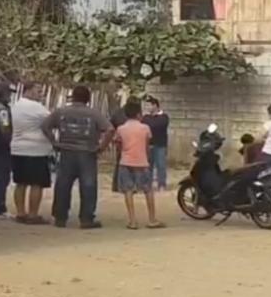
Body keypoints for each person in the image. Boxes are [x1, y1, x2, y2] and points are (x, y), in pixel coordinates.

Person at [42, 85, 113, 229]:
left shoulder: (61, 112)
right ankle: (86, 219)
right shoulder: (93, 114)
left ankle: (60, 218)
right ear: (88, 98)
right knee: (88, 186)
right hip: (87, 153)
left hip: (66, 152)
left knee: (63, 185)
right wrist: (102, 146)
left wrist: (54, 142)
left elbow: (45, 126)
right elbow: (110, 129)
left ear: (73, 97)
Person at [115, 99, 164, 230]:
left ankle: (132, 221)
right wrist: (146, 157)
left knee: (128, 191)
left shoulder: (121, 129)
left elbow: (119, 146)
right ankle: (152, 219)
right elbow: (147, 146)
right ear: (138, 114)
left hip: (125, 162)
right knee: (148, 190)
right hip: (142, 162)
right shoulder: (145, 128)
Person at [9, 81, 53, 224]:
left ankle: (21, 213)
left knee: (20, 182)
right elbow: (53, 121)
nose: (41, 93)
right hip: (36, 150)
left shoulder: (15, 106)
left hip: (17, 148)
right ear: (28, 90)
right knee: (37, 183)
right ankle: (33, 214)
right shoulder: (37, 108)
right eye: (38, 90)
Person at [142, 95, 170, 191]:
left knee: (161, 165)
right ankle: (148, 184)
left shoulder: (164, 117)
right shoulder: (145, 117)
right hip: (148, 145)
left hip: (160, 145)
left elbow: (157, 125)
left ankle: (161, 184)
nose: (147, 108)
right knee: (148, 166)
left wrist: (150, 124)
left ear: (155, 106)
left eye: (149, 105)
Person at [0, 80, 12, 220]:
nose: (10, 97)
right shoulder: (1, 110)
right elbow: (5, 129)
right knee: (1, 177)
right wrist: (8, 141)